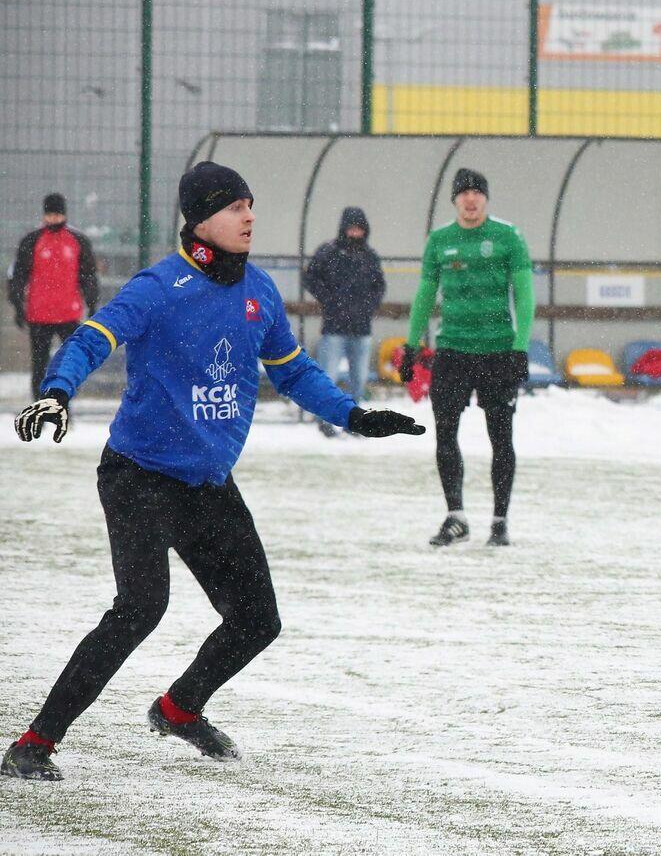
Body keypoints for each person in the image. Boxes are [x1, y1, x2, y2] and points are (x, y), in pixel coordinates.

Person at [2, 162, 424, 782]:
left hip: (207, 484)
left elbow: (293, 370)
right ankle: (33, 744)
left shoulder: (259, 291)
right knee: (141, 608)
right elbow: (92, 337)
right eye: (234, 207)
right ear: (200, 219)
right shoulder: (159, 286)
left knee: (257, 620)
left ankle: (178, 708)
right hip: (139, 477)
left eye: (250, 204)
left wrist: (354, 416)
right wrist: (57, 390)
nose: (249, 216)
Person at [399, 168, 534, 548]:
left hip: (497, 352)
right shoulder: (440, 240)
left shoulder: (508, 236)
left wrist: (520, 347)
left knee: (501, 438)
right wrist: (411, 345)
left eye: (477, 193)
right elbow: (425, 294)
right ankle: (456, 517)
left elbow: (525, 295)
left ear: (486, 199)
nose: (471, 199)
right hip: (453, 351)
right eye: (464, 193)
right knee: (445, 433)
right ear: (455, 200)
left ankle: (500, 522)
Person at [301, 206, 387, 437]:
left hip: (362, 329)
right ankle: (325, 419)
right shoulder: (329, 252)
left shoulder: (370, 256)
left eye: (359, 229)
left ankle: (355, 421)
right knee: (328, 377)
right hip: (333, 328)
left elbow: (379, 286)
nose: (355, 233)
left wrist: (368, 306)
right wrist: (330, 300)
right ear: (343, 229)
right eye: (351, 228)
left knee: (358, 379)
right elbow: (310, 278)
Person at [7, 192, 99, 399]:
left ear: (64, 214)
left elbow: (88, 276)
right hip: (39, 315)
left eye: (57, 214)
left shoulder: (77, 241)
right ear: (44, 215)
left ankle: (63, 403)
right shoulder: (32, 241)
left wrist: (92, 303)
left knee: (69, 363)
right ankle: (39, 405)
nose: (54, 218)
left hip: (69, 314)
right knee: (39, 364)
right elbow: (18, 275)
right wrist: (18, 306)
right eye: (50, 214)